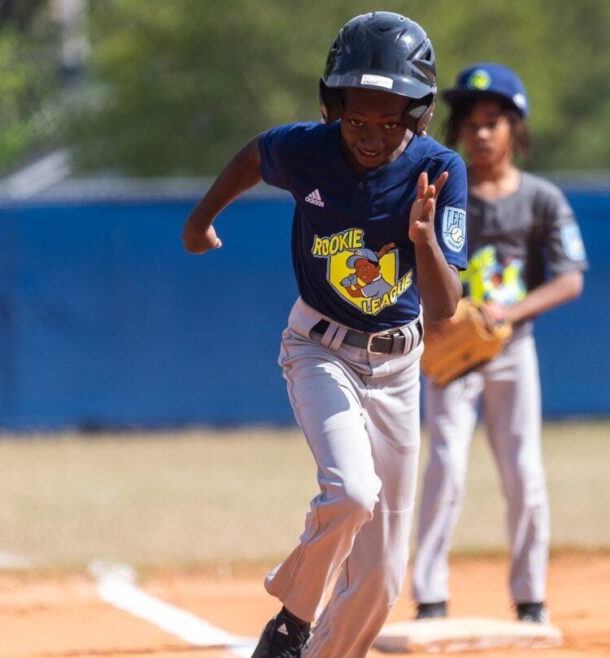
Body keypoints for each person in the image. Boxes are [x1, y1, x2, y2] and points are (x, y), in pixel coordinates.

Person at [180, 12, 467, 658]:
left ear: (418, 115)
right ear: (331, 106)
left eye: (388, 120)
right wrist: (201, 220)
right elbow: (254, 155)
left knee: (382, 579)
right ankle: (290, 622)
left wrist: (423, 238)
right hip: (319, 349)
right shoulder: (309, 150)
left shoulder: (440, 171)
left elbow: (446, 307)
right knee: (351, 492)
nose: (369, 134)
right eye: (355, 118)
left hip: (397, 369)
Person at [410, 63, 588, 624]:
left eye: (494, 121)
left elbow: (569, 278)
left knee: (523, 472)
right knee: (444, 467)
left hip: (510, 348)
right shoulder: (443, 191)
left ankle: (530, 598)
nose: (481, 133)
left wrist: (506, 313)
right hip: (452, 349)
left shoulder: (541, 199)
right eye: (471, 122)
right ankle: (431, 597)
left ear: (516, 128)